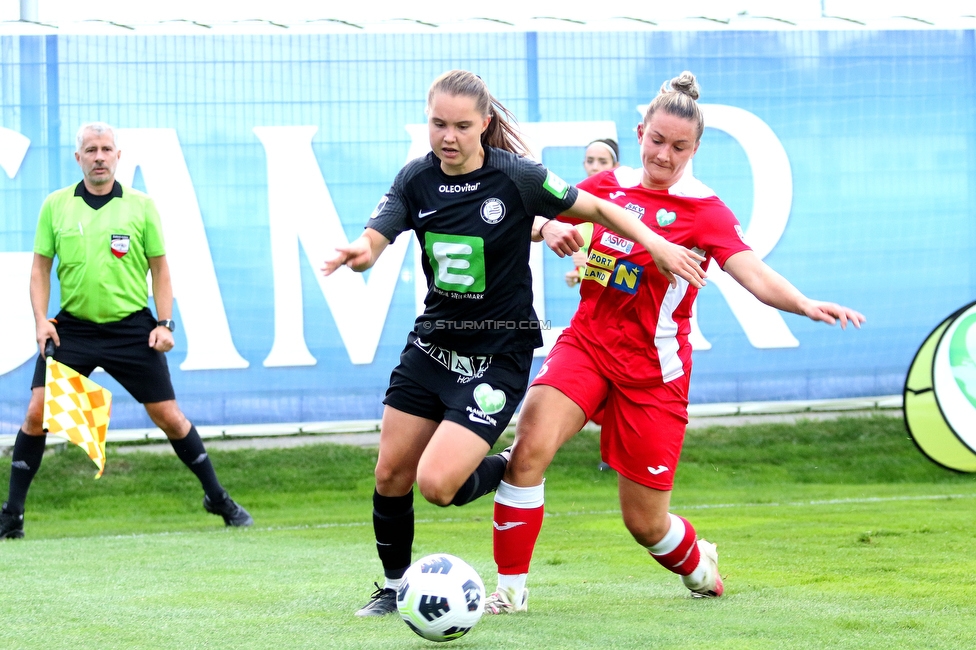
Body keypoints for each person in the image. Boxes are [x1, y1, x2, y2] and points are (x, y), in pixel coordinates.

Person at [320, 70, 707, 617]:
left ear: (485, 124)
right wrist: (360, 252)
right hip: (431, 347)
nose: (447, 136)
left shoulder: (519, 177)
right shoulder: (414, 180)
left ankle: (508, 464)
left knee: (438, 487)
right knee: (390, 473)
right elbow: (375, 234)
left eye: (460, 125)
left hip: (498, 356)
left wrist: (656, 244)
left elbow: (596, 210)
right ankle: (392, 586)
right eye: (437, 124)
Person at [484, 72, 866, 613]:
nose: (664, 155)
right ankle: (510, 593)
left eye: (679, 146)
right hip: (587, 346)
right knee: (528, 449)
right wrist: (547, 229)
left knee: (644, 523)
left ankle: (698, 564)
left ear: (696, 148)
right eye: (657, 141)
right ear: (640, 133)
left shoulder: (704, 211)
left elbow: (753, 274)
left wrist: (802, 303)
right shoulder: (604, 187)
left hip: (653, 373)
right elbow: (534, 219)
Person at [0, 122, 252, 540]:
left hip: (132, 329)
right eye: (90, 150)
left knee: (169, 418)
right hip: (73, 329)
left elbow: (161, 268)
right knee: (36, 412)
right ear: (77, 158)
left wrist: (165, 323)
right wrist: (41, 319)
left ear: (118, 156)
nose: (99, 157)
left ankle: (218, 498)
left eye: (106, 149)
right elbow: (40, 269)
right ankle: (12, 515)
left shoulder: (141, 206)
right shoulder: (55, 205)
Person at [564, 138, 621, 288]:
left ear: (616, 167)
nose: (595, 167)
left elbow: (634, 270)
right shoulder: (579, 207)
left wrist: (592, 264)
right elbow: (585, 262)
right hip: (591, 302)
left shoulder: (623, 208)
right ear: (584, 164)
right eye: (590, 161)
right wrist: (577, 275)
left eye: (603, 162)